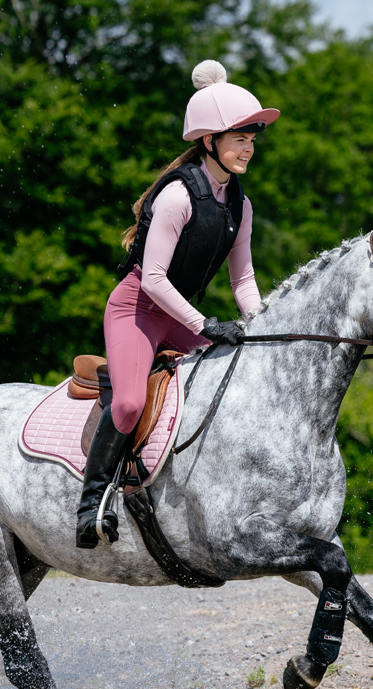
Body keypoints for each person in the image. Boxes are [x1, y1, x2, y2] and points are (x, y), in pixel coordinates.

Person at [76, 60, 280, 549]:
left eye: (252, 140)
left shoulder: (240, 204)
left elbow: (245, 278)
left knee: (239, 375)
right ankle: (91, 502)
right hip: (137, 310)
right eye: (239, 139)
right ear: (209, 141)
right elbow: (152, 280)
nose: (248, 149)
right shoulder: (176, 195)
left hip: (178, 316)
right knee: (127, 402)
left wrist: (261, 324)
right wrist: (206, 324)